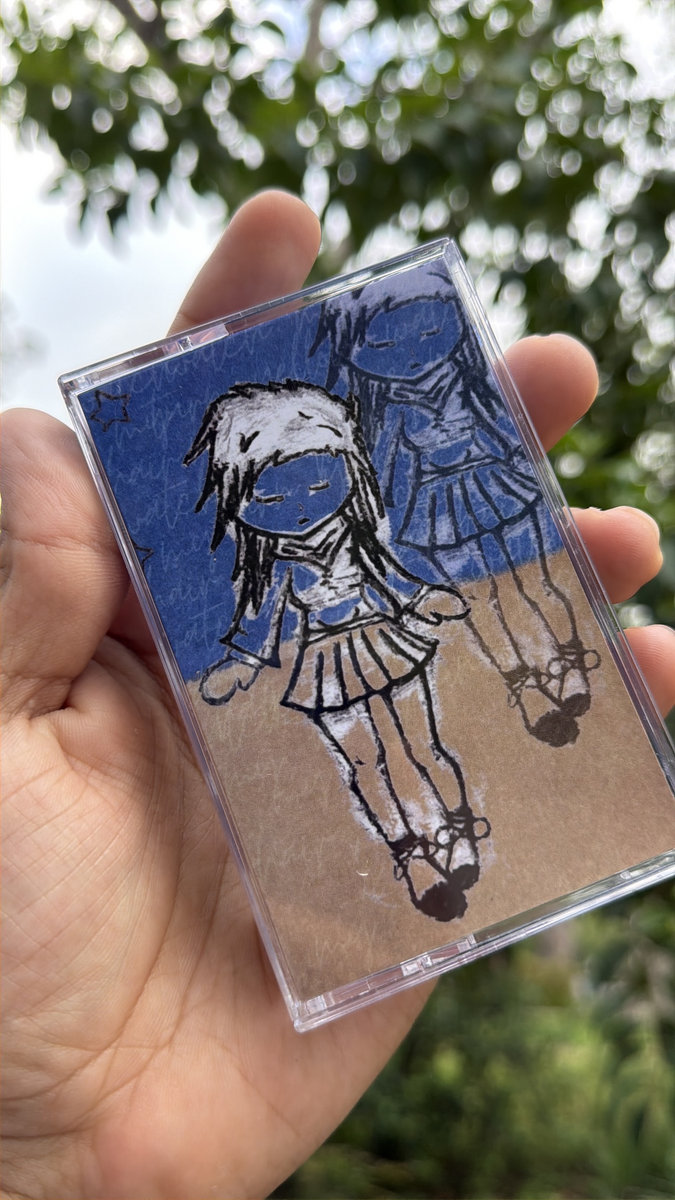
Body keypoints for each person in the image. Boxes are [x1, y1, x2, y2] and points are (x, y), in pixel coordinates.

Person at [1, 190, 673, 1200]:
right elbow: (259, 621)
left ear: (347, 471)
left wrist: (429, 601)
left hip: (389, 643)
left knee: (422, 738)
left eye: (316, 478)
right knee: (364, 760)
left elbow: (396, 573)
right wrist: (238, 663)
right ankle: (410, 849)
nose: (298, 503)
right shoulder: (269, 568)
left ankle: (457, 827)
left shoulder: (365, 530)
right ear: (242, 503)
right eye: (271, 491)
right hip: (324, 668)